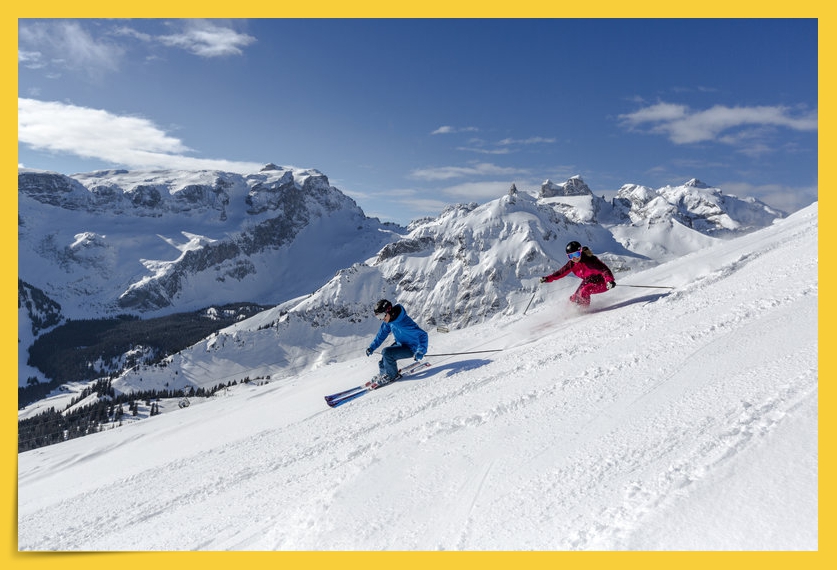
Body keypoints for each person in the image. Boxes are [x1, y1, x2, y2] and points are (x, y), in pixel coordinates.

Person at [365, 299, 429, 389]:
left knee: (387, 352)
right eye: (378, 316)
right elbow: (381, 335)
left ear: (389, 311)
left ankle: (392, 375)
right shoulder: (389, 321)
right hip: (401, 344)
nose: (381, 319)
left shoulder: (404, 322)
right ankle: (384, 373)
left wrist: (421, 351)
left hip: (412, 348)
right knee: (385, 356)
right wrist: (371, 347)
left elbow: (423, 335)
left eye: (382, 315)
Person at [540, 241, 616, 306]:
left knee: (584, 291)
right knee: (574, 298)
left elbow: (604, 270)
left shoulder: (590, 262)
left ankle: (584, 311)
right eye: (570, 256)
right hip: (589, 281)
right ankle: (569, 313)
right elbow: (560, 273)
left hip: (604, 282)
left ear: (580, 252)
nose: (574, 258)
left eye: (576, 254)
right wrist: (547, 279)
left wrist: (609, 281)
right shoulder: (571, 264)